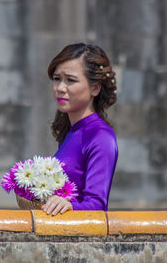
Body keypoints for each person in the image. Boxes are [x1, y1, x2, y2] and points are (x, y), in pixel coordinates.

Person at [41, 43, 118, 215]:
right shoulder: (71, 131)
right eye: (57, 79)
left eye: (71, 80)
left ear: (95, 88)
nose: (60, 88)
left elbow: (97, 205)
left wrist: (69, 206)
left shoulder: (101, 137)